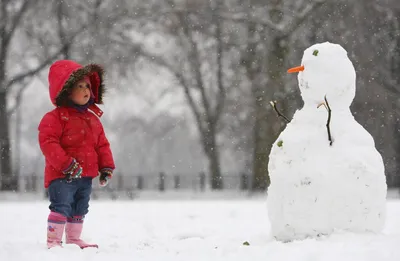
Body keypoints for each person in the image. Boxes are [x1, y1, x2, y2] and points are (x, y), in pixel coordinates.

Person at [38, 60, 115, 249]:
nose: (85, 89)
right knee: (61, 206)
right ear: (66, 90)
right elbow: (48, 143)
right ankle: (54, 241)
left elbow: (102, 145)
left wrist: (106, 167)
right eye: (79, 86)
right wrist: (65, 163)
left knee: (80, 208)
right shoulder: (55, 118)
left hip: (85, 175)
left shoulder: (92, 119)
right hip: (62, 174)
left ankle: (73, 239)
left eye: (87, 85)